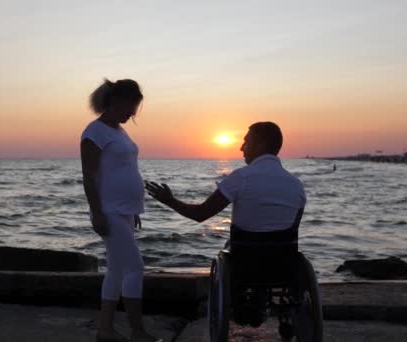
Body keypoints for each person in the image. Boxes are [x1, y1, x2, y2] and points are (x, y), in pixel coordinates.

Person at [145, 121, 306, 326]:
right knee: (270, 245)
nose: (241, 147)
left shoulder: (241, 178)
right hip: (283, 264)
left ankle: (243, 301)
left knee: (231, 249)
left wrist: (170, 201)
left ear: (261, 144)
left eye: (246, 142)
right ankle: (260, 297)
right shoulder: (296, 185)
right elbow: (293, 229)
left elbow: (200, 214)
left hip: (244, 263)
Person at [81, 79, 161, 342]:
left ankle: (105, 330)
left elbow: (124, 169)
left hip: (125, 210)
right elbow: (89, 177)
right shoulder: (94, 132)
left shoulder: (119, 131)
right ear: (116, 102)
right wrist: (98, 213)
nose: (133, 113)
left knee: (115, 270)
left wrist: (133, 209)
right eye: (131, 107)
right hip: (109, 210)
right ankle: (137, 332)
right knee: (135, 269)